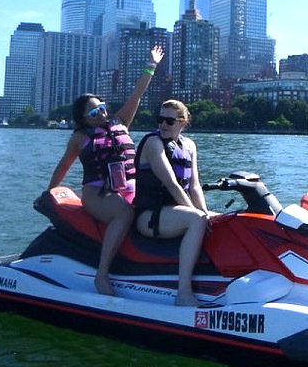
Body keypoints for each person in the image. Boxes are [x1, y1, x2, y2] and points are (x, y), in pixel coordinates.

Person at [47, 45, 164, 296]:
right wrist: (50, 191)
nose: (101, 112)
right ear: (84, 119)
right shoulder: (80, 138)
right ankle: (102, 276)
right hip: (98, 194)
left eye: (101, 107)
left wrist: (151, 65)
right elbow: (65, 164)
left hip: (130, 189)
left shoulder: (120, 122)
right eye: (93, 111)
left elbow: (137, 95)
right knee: (123, 215)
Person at [132, 99, 209, 306]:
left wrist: (206, 213)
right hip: (149, 216)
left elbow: (194, 186)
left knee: (217, 218)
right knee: (197, 220)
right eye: (160, 120)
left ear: (183, 122)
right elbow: (172, 184)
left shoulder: (190, 146)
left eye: (169, 121)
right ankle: (183, 293)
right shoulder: (153, 143)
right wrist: (199, 216)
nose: (163, 125)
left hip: (175, 212)